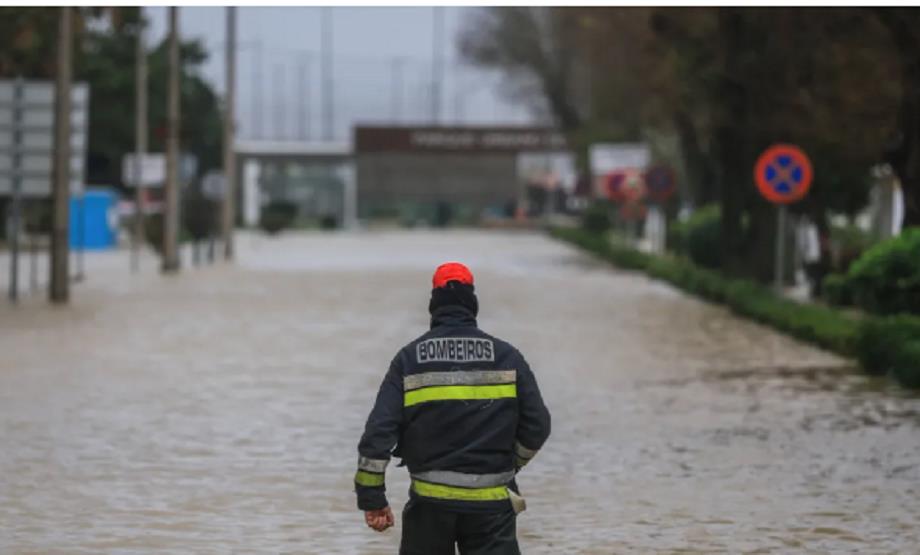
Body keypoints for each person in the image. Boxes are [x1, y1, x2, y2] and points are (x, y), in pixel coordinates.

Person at [354, 262, 552, 555]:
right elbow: (538, 426)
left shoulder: (409, 360)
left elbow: (378, 433)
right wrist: (512, 464)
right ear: (472, 304)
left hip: (429, 508)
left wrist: (373, 499)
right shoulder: (508, 357)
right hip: (493, 508)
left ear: (434, 305)